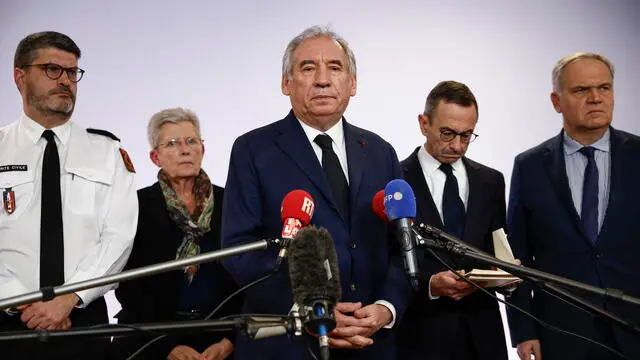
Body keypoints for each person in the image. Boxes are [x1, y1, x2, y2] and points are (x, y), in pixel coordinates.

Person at [221, 25, 411, 360]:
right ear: (286, 83)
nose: (322, 79)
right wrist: (310, 311)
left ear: (352, 84)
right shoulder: (253, 150)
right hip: (287, 345)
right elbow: (240, 250)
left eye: (334, 68)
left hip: (370, 345)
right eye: (308, 68)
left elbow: (404, 246)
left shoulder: (381, 152)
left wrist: (386, 307)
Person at [0, 31, 138, 359]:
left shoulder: (107, 153)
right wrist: (21, 299)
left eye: (72, 72)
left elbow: (119, 238)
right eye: (52, 69)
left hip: (82, 318)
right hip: (7, 317)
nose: (65, 80)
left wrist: (67, 300)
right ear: (20, 76)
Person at [507, 52, 640, 360]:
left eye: (604, 88)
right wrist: (524, 331)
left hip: (633, 328)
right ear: (556, 101)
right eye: (581, 90)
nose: (595, 98)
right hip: (561, 332)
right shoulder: (529, 166)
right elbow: (516, 260)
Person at [113, 107, 240, 360]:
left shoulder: (232, 202)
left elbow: (247, 275)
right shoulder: (135, 206)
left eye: (191, 141)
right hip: (154, 335)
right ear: (155, 157)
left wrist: (231, 341)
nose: (184, 150)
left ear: (202, 150)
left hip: (223, 333)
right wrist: (166, 346)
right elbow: (129, 287)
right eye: (172, 143)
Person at [396, 81, 508, 360]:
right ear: (424, 124)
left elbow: (501, 250)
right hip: (419, 338)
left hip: (484, 339)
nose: (457, 146)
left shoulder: (491, 182)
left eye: (467, 135)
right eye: (447, 133)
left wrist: (509, 275)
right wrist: (430, 284)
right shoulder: (394, 182)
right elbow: (381, 261)